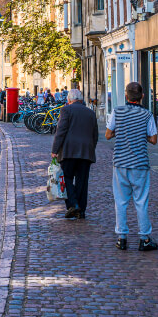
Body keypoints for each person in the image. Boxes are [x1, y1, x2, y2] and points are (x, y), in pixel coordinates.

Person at [107, 82, 158, 252]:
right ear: (142, 96)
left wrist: (120, 131)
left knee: (120, 201)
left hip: (120, 162)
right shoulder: (147, 115)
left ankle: (122, 238)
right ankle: (144, 238)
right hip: (139, 163)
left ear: (126, 96)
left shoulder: (117, 111)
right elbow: (153, 139)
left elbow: (108, 134)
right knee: (141, 201)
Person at [51, 89, 98, 220]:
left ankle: (73, 204)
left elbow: (61, 131)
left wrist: (55, 150)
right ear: (81, 99)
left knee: (66, 178)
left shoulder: (66, 110)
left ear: (69, 100)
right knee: (82, 182)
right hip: (86, 152)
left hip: (69, 151)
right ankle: (81, 211)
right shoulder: (90, 112)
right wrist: (91, 148)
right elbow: (95, 134)